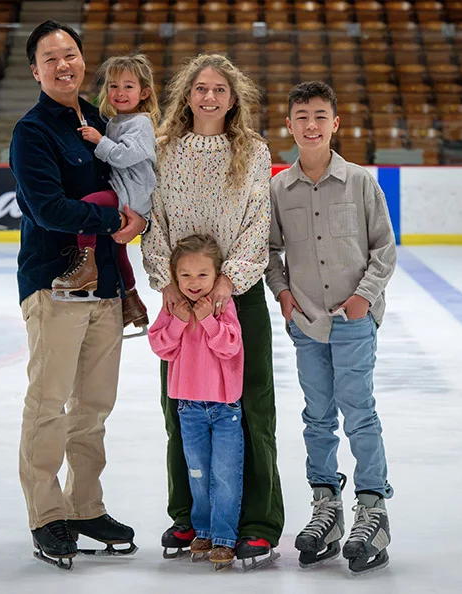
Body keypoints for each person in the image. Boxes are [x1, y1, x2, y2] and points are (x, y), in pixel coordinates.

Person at [9, 20, 146, 569]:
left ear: (82, 60)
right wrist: (116, 217)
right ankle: (47, 514)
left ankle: (85, 505)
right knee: (49, 404)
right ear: (35, 70)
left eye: (70, 54)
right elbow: (47, 209)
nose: (63, 64)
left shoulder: (100, 118)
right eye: (51, 58)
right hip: (55, 283)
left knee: (93, 406)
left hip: (106, 286)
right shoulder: (32, 132)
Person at [141, 53, 284, 570]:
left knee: (250, 409)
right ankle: (190, 516)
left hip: (235, 297)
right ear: (187, 95)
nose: (208, 96)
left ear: (233, 97)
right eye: (200, 87)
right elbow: (154, 223)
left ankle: (257, 523)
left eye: (219, 89)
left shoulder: (253, 151)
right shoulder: (164, 152)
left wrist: (227, 281)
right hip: (180, 298)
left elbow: (257, 225)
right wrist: (168, 285)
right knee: (180, 408)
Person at [265, 81, 397, 574]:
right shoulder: (279, 188)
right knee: (317, 417)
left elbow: (384, 248)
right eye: (302, 116)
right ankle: (326, 506)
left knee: (359, 413)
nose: (311, 125)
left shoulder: (361, 182)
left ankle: (373, 510)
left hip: (354, 320)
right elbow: (271, 254)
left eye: (321, 116)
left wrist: (364, 296)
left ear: (335, 123)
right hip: (307, 323)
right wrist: (283, 296)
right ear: (290, 125)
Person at [148, 234, 244, 569]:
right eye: (185, 275)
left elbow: (230, 347)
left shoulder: (222, 305)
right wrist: (177, 321)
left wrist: (206, 319)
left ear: (217, 276)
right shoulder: (172, 307)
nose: (194, 282)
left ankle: (224, 537)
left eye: (203, 275)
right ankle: (202, 529)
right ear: (174, 277)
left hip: (224, 408)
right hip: (188, 408)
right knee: (198, 472)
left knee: (225, 473)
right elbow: (161, 347)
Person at [52, 53, 159, 337]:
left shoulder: (141, 123)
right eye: (113, 86)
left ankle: (86, 266)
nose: (119, 93)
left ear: (144, 92)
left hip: (132, 194)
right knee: (117, 249)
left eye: (128, 86)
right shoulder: (115, 121)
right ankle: (133, 303)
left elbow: (125, 156)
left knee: (89, 206)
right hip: (123, 188)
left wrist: (100, 141)